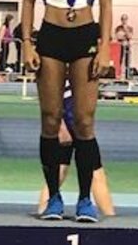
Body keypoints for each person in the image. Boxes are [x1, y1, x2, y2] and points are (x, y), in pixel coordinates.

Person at [21, 0, 119, 223]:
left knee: (84, 121)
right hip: (50, 35)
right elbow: (29, 1)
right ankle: (54, 198)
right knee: (50, 118)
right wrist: (27, 42)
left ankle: (84, 199)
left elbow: (106, 5)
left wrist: (105, 46)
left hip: (85, 37)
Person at [37, 79, 115, 217]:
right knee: (61, 173)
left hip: (79, 122)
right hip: (67, 119)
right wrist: (60, 125)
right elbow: (49, 90)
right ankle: (45, 214)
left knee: (95, 173)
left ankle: (111, 220)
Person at [114, 14, 133, 79]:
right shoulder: (118, 28)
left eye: (125, 19)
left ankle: (127, 76)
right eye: (122, 19)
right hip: (120, 46)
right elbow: (118, 36)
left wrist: (125, 30)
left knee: (127, 61)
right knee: (119, 60)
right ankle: (118, 75)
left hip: (127, 46)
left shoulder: (130, 28)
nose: (124, 20)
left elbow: (130, 36)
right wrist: (124, 36)